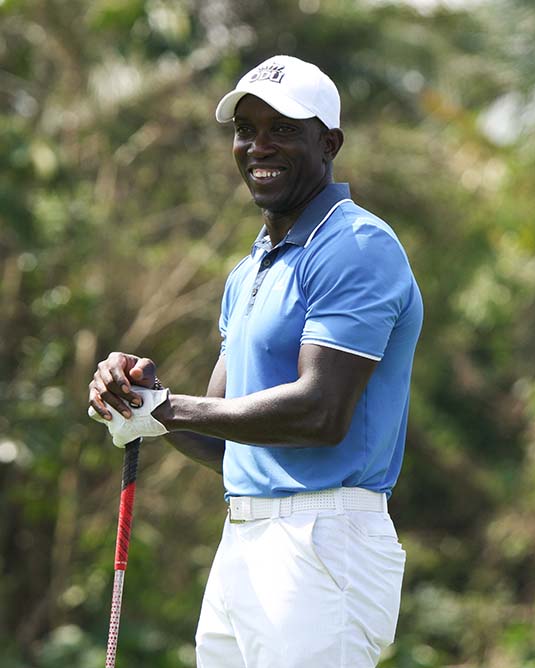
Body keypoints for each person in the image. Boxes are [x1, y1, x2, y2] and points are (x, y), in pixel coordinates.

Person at [88, 55, 423, 668]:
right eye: (246, 129)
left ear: (330, 143)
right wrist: (143, 403)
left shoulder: (356, 247)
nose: (258, 145)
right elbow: (223, 441)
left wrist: (170, 409)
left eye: (284, 129)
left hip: (323, 542)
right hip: (243, 540)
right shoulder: (251, 270)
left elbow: (320, 413)